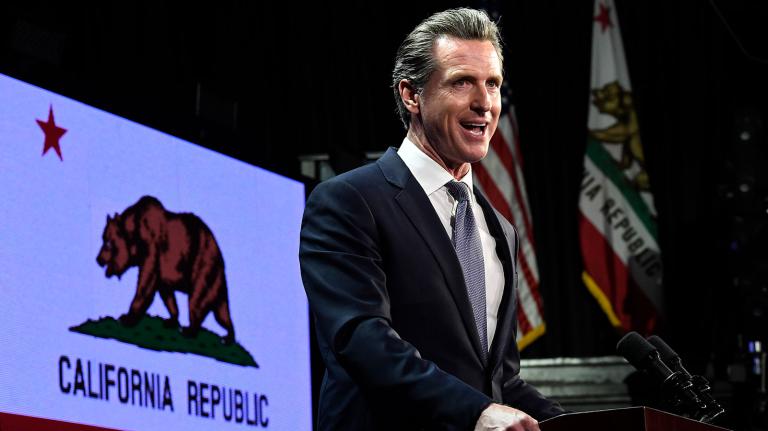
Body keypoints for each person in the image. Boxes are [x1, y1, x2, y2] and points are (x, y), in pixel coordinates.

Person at [299, 8, 564, 431]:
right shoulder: (349, 200)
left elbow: (499, 380)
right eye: (462, 82)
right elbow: (362, 339)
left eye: (492, 84)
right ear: (411, 95)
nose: (484, 103)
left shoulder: (500, 229)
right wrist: (474, 412)